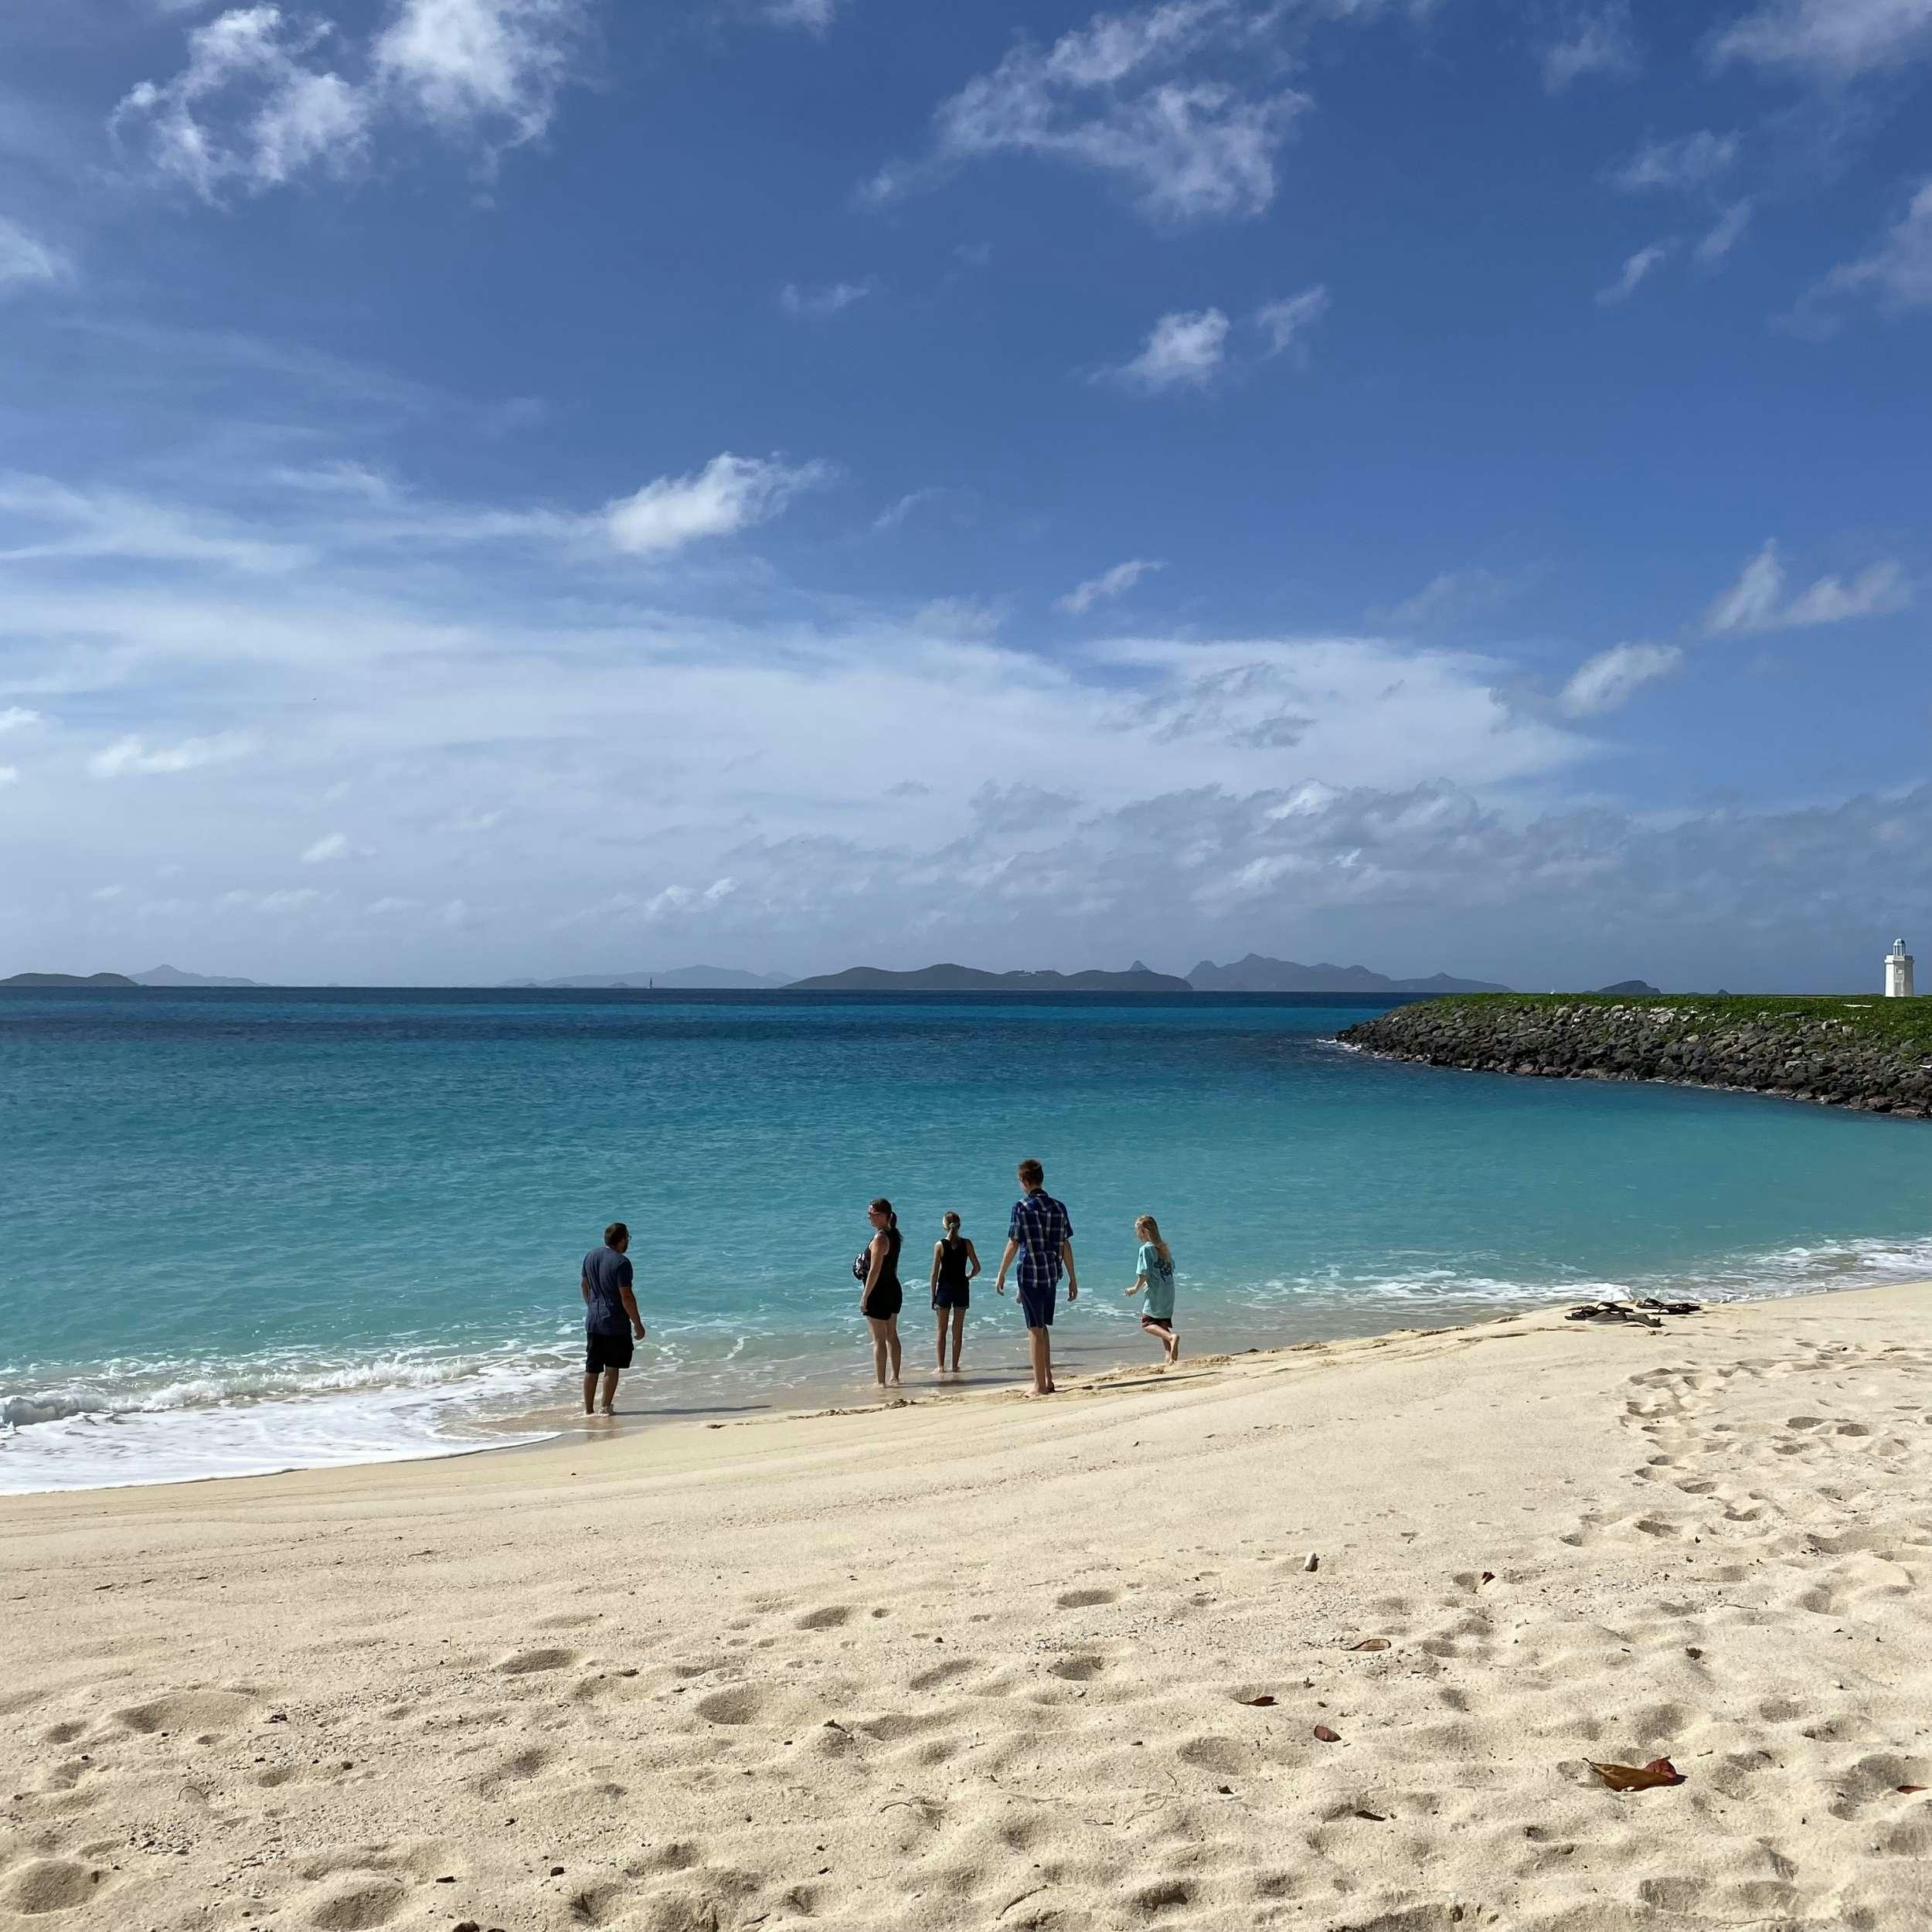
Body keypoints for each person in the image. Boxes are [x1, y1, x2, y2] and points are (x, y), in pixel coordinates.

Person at [993, 1158, 1077, 1396]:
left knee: (1034, 1328)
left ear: (1025, 1181)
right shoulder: (1059, 1207)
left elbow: (1013, 1242)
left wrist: (1001, 1274)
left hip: (1030, 1272)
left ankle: (1038, 1385)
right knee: (1043, 1326)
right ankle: (1048, 1379)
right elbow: (1065, 1244)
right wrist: (1073, 1278)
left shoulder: (1021, 1207)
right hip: (1052, 1272)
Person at [581, 1220, 645, 1417]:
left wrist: (591, 1306)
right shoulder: (621, 1262)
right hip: (615, 1323)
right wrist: (637, 1324)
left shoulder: (590, 1256)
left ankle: (588, 1410)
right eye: (628, 1238)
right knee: (612, 1367)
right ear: (623, 1240)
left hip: (593, 1320)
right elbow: (626, 1295)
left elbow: (584, 1285)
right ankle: (605, 1408)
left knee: (592, 1368)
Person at [858, 1196, 903, 1390]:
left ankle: (880, 1382)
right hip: (893, 1288)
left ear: (883, 1216)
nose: (869, 1217)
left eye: (872, 1214)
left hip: (879, 1291)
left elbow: (875, 1269)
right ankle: (895, 1377)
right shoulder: (895, 1235)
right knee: (892, 1335)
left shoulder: (880, 1238)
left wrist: (865, 1296)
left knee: (879, 1339)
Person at [928, 1210, 981, 1376]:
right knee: (958, 1330)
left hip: (944, 1288)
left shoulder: (940, 1245)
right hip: (961, 1288)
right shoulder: (967, 1244)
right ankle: (955, 1366)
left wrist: (932, 1296)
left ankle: (941, 1366)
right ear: (959, 1225)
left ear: (944, 1225)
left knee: (941, 1331)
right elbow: (977, 1268)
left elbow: (934, 1274)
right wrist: (967, 1277)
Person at [1124, 1213, 1179, 1365]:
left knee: (1147, 1323)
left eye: (1137, 1231)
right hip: (1169, 1289)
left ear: (1143, 1230)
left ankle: (1171, 1337)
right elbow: (1171, 1267)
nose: (1136, 1234)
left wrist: (1135, 1289)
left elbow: (1144, 1273)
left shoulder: (1145, 1249)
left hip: (1156, 1291)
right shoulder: (1163, 1247)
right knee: (1162, 1323)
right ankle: (1169, 1358)